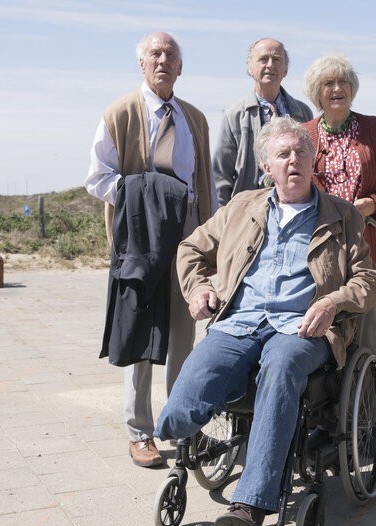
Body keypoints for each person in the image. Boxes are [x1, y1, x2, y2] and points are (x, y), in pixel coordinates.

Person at [154, 117, 376, 526]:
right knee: (189, 394)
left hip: (300, 331)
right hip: (239, 321)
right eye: (283, 154)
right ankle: (194, 439)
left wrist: (332, 301)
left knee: (279, 370)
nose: (294, 161)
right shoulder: (242, 207)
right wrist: (199, 289)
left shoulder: (342, 216)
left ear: (314, 161)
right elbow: (190, 249)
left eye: (301, 153)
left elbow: (366, 280)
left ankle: (249, 506)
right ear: (267, 167)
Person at [85, 32, 215, 468]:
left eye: (171, 55)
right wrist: (146, 194)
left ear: (181, 68)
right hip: (139, 242)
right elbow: (97, 177)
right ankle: (139, 432)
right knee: (140, 335)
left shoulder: (194, 118)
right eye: (155, 54)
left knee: (183, 335)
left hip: (186, 241)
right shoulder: (119, 113)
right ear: (142, 65)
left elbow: (205, 186)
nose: (163, 60)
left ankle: (180, 426)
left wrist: (209, 240)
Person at [302, 53, 376, 355]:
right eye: (328, 83)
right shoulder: (305, 134)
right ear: (316, 92)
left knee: (364, 338)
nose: (337, 89)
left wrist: (373, 204)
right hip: (319, 252)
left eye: (343, 81)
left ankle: (367, 400)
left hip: (366, 250)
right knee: (318, 329)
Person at [212, 38, 313, 205]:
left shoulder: (302, 113)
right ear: (250, 69)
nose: (270, 65)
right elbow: (221, 176)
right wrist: (223, 219)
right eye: (263, 59)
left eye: (277, 60)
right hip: (249, 209)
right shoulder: (234, 115)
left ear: (286, 69)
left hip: (295, 206)